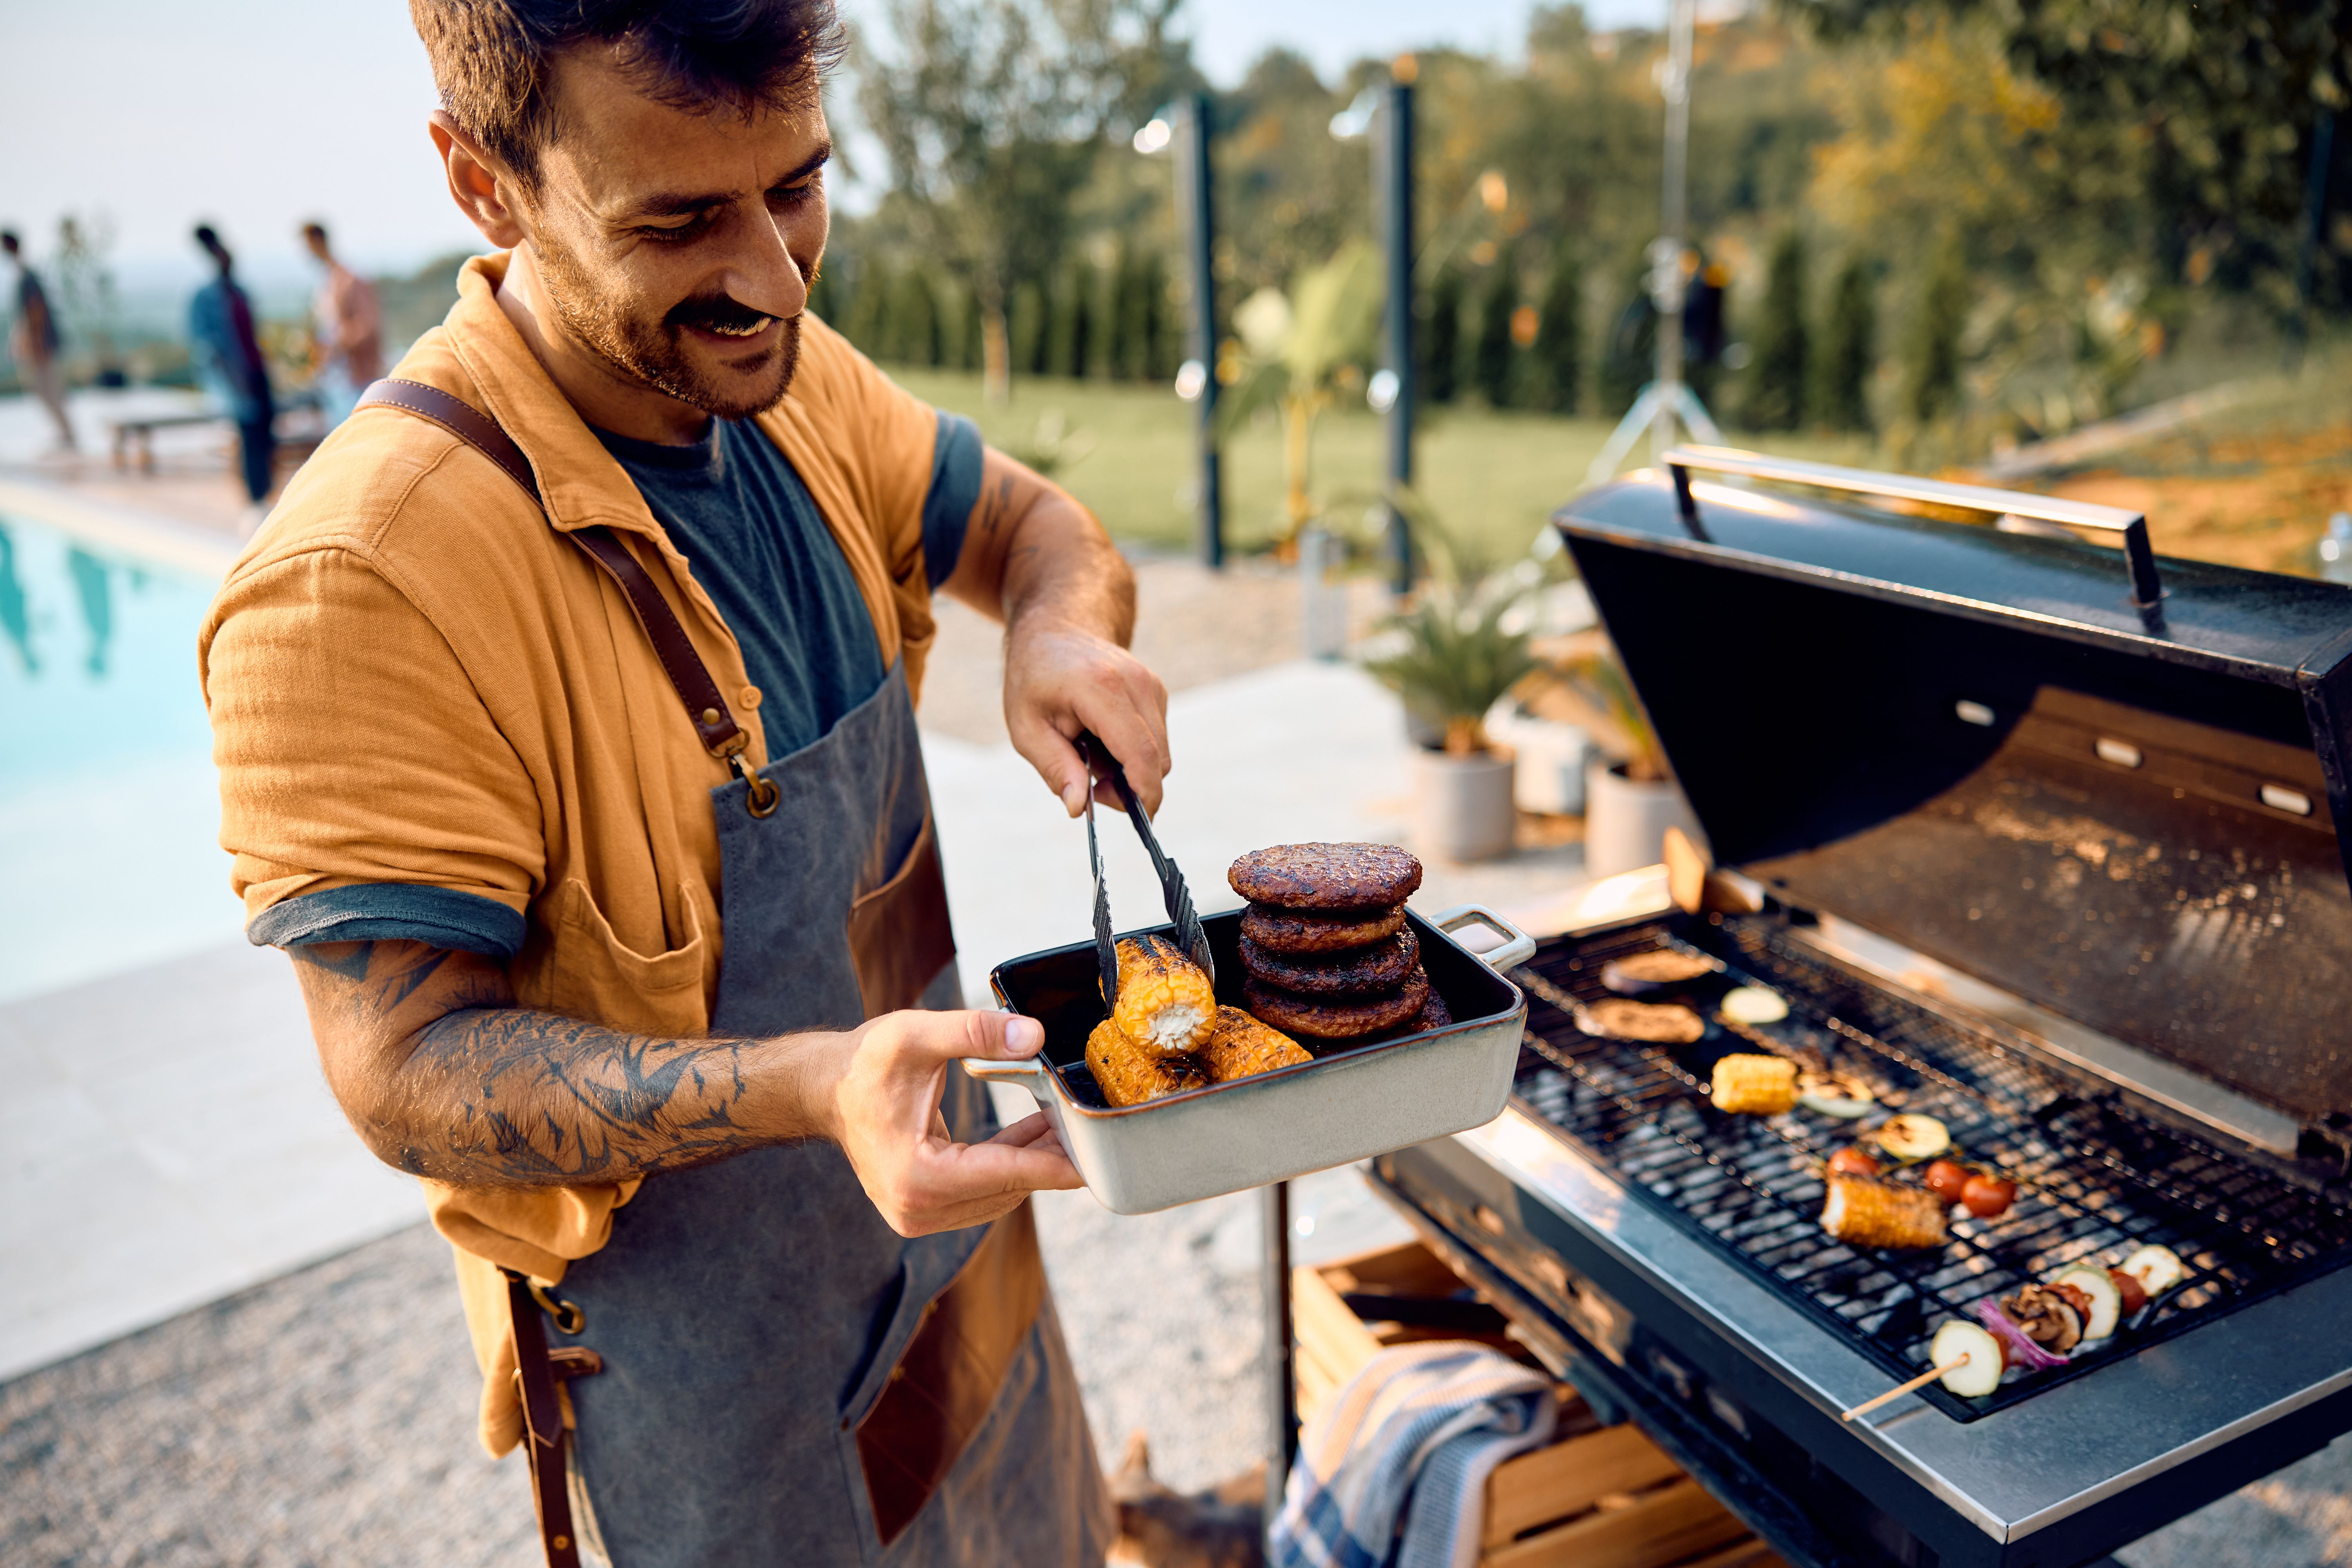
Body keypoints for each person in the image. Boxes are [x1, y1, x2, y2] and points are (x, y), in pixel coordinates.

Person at [198, 2, 1167, 1564]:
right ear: (483, 184)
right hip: (718, 1399)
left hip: (963, 1273)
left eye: (796, 187)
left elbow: (1031, 526)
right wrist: (810, 1087)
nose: (776, 280)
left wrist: (1056, 631)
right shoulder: (360, 579)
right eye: (680, 221)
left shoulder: (800, 384)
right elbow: (406, 1068)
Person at [187, 225, 276, 524]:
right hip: (236, 380)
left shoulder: (240, 293)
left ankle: (265, 496)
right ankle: (254, 503)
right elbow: (207, 348)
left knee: (266, 436)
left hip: (256, 373)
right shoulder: (205, 298)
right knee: (249, 438)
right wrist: (231, 381)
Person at [300, 220, 383, 425]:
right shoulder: (325, 281)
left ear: (318, 241)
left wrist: (336, 344)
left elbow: (368, 324)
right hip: (333, 377)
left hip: (354, 377)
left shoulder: (350, 279)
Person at [4, 230, 76, 453]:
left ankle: (67, 435)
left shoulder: (27, 276)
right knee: (46, 390)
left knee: (48, 390)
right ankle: (65, 434)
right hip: (40, 343)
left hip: (42, 345)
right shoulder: (25, 274)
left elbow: (36, 310)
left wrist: (36, 343)